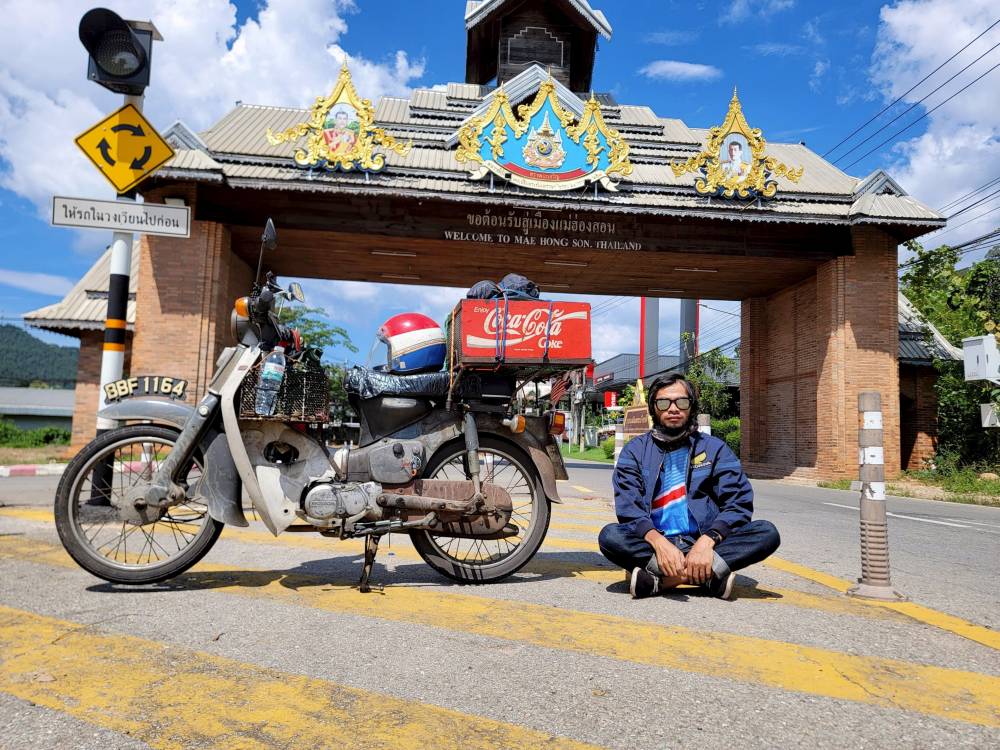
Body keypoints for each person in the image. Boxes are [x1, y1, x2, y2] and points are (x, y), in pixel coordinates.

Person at [598, 373, 780, 600]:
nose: (673, 409)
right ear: (654, 408)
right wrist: (658, 542)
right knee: (610, 536)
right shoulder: (635, 451)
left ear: (691, 406)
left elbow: (739, 503)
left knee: (767, 533)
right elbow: (628, 507)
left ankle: (665, 580)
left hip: (705, 543)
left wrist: (708, 541)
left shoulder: (715, 449)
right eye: (664, 402)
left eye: (681, 402)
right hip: (656, 544)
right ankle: (708, 577)